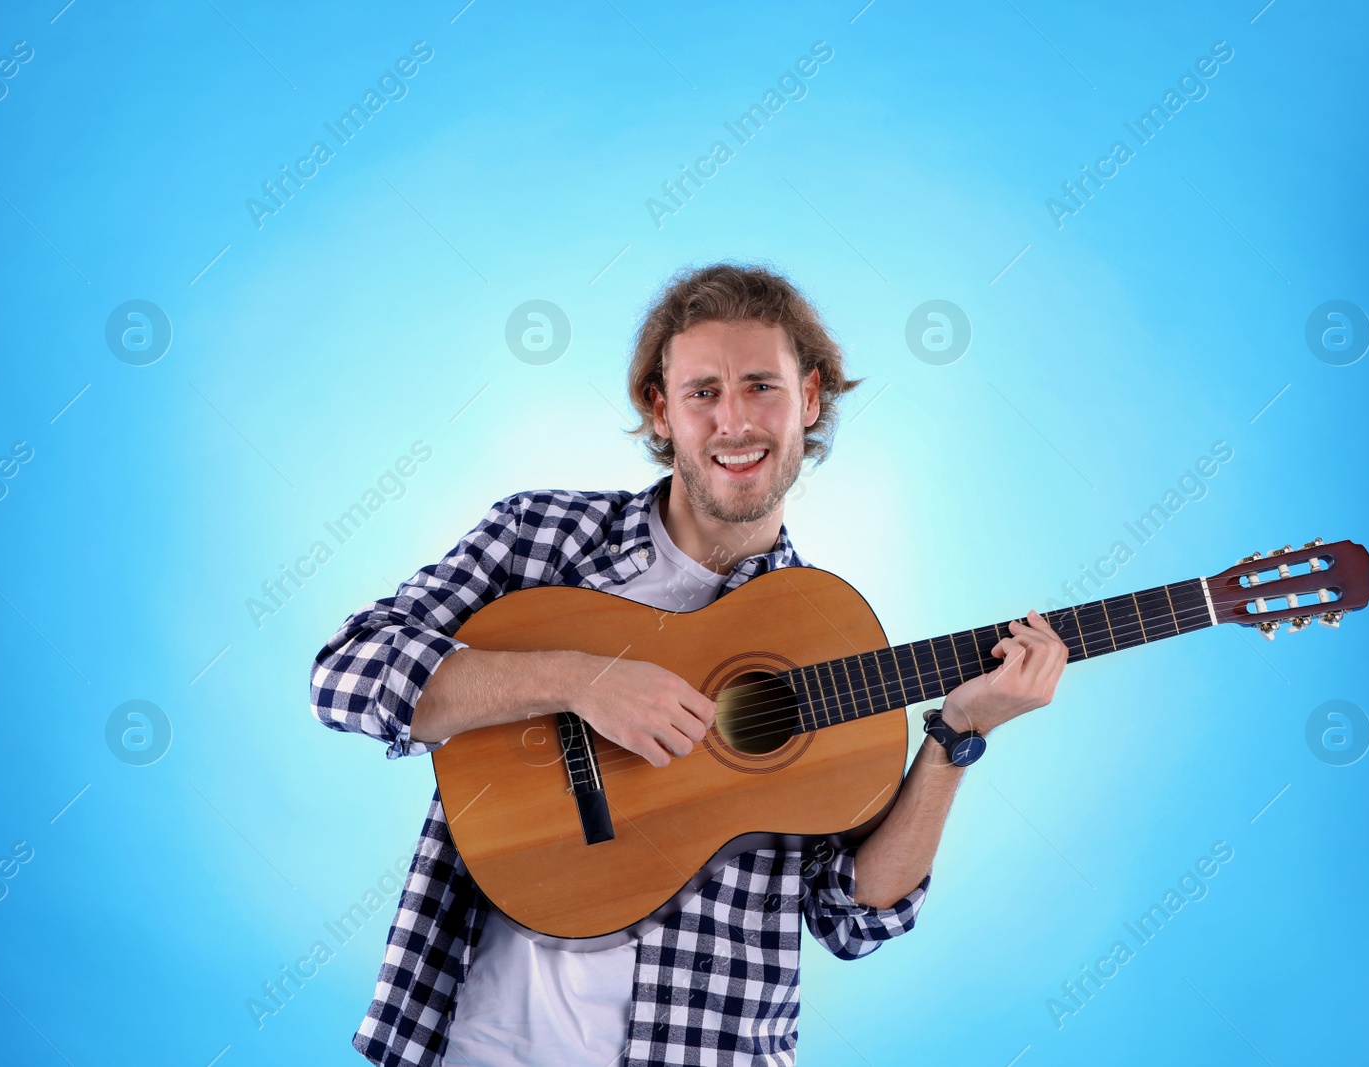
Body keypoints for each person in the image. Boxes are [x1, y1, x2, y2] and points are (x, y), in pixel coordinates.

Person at [310, 262, 1070, 1066]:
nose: (734, 421)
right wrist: (580, 680)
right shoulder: (541, 537)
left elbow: (853, 918)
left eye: (760, 386)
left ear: (810, 399)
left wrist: (956, 738)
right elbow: (347, 671)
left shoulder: (823, 633)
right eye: (703, 391)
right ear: (659, 408)